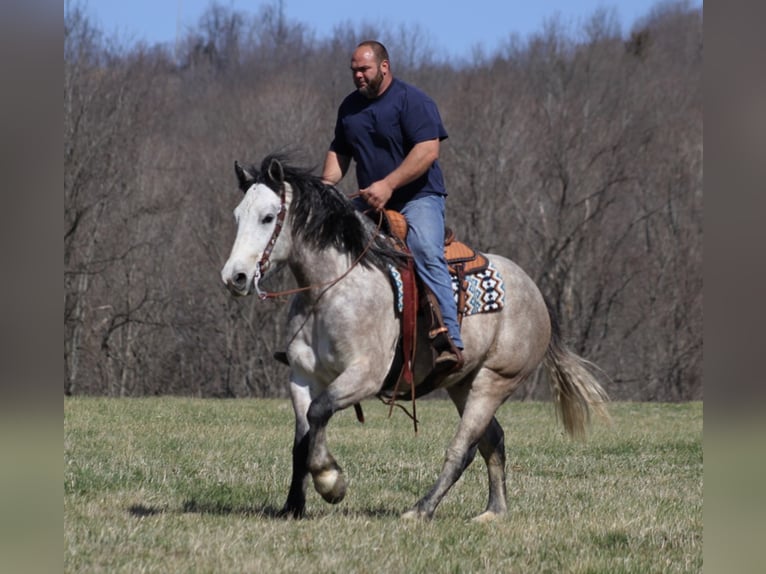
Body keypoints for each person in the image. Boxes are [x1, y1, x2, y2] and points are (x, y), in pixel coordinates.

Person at [321, 40, 464, 372]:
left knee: (426, 249)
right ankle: (317, 338)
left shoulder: (413, 101)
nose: (358, 75)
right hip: (371, 203)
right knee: (324, 243)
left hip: (418, 198)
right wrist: (325, 188)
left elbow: (428, 151)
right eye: (354, 70)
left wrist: (388, 184)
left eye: (364, 69)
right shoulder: (349, 108)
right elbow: (339, 152)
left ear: (384, 67)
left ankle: (449, 339)